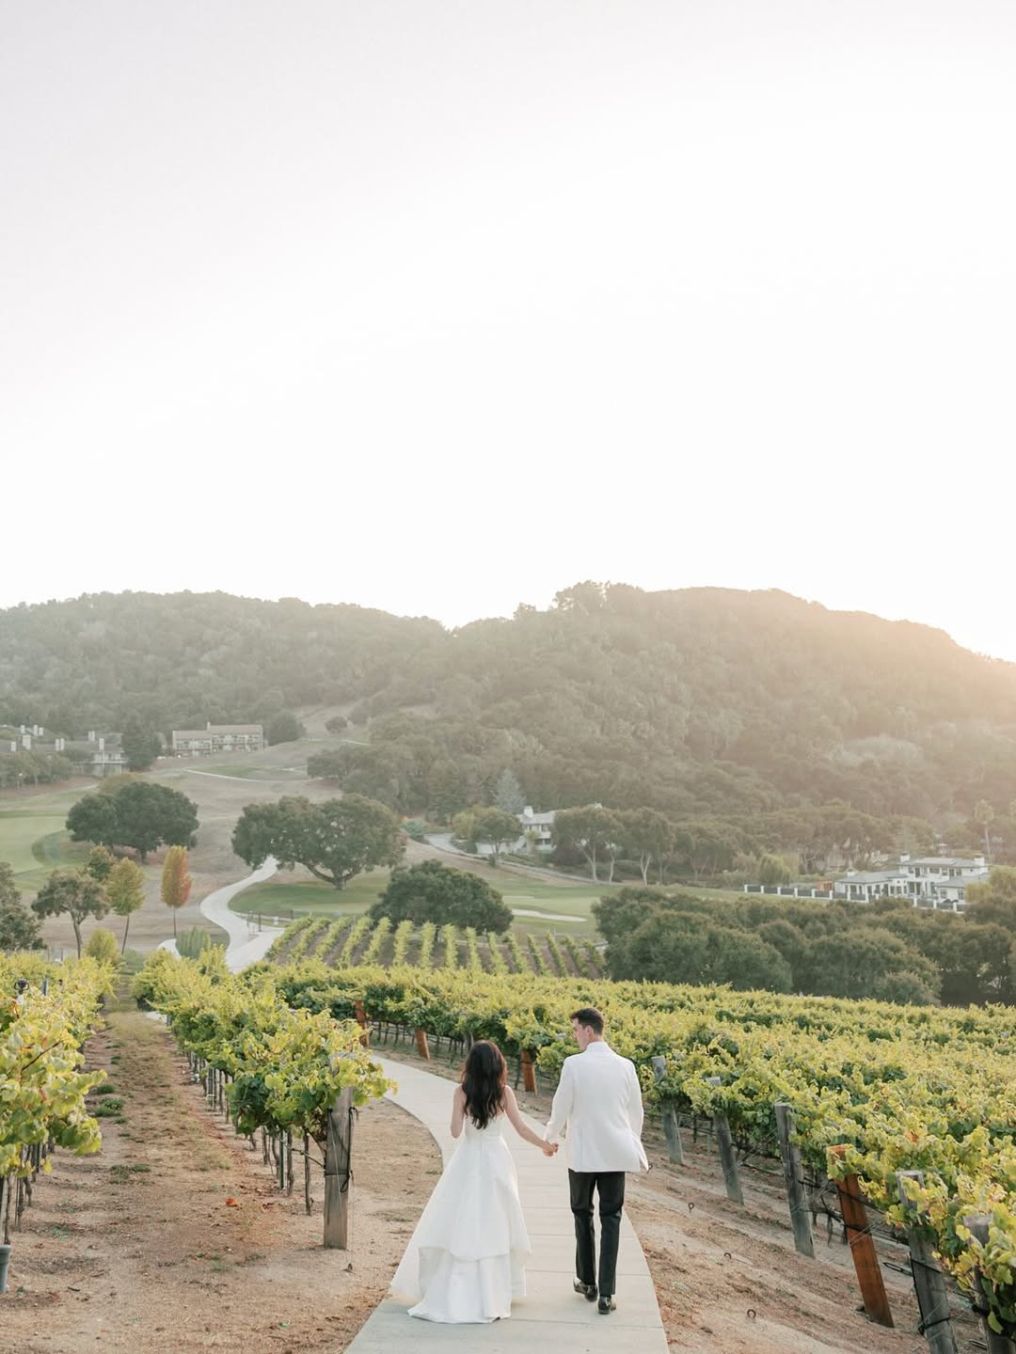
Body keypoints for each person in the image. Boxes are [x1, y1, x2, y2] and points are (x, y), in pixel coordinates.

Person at [390, 1039, 558, 1324]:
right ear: (497, 1064)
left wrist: (460, 1109)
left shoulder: (461, 1092)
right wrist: (545, 1145)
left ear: (471, 1065)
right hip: (496, 1161)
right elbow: (520, 1128)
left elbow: (455, 1132)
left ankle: (458, 1287)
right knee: (495, 1221)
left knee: (463, 1218)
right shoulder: (504, 1093)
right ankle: (493, 1289)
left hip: (468, 1159)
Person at [544, 1006, 648, 1315]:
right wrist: (632, 1140)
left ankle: (588, 1282)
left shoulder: (574, 1065)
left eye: (576, 1030)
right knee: (611, 1218)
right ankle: (607, 1294)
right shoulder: (626, 1066)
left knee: (582, 1213)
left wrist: (550, 1137)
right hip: (615, 1153)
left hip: (583, 1155)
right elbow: (636, 1112)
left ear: (588, 1031)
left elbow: (561, 1106)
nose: (574, 1036)